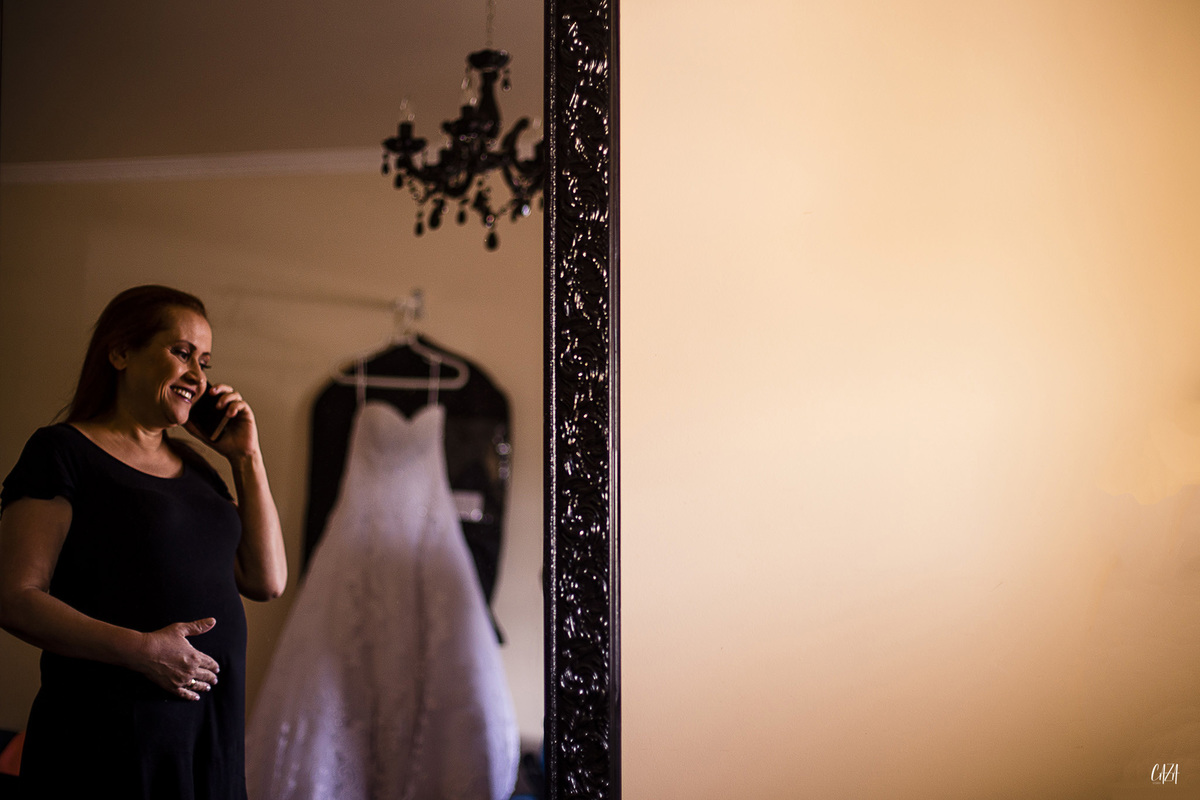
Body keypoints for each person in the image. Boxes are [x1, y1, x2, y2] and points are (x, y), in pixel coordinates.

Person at [0, 285, 287, 798]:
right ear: (120, 352)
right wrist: (142, 650)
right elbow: (14, 598)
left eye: (205, 360)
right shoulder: (62, 451)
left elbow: (267, 580)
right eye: (181, 353)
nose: (199, 377)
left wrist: (246, 458)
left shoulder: (199, 468)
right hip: (110, 747)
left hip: (210, 743)